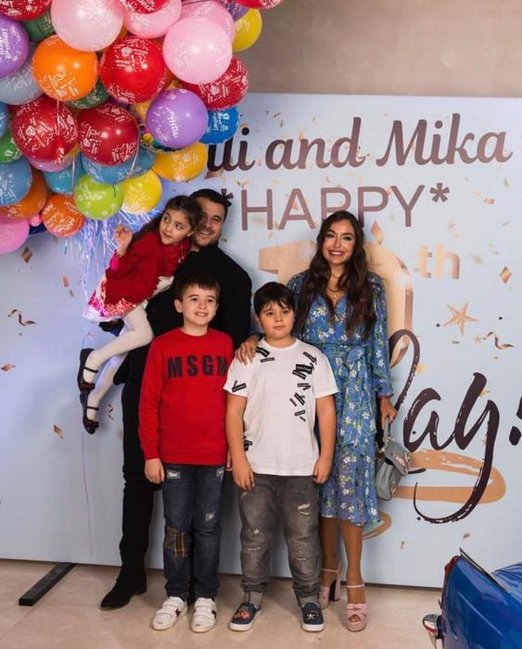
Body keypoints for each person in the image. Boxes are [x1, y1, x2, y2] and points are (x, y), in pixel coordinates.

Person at [238, 210, 396, 632]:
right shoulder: (300, 285)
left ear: (356, 244)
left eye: (346, 237)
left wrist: (384, 394)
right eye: (330, 236)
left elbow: (378, 342)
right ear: (321, 240)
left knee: (351, 485)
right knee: (318, 481)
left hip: (356, 389)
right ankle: (327, 570)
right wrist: (252, 338)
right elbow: (279, 328)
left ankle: (355, 580)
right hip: (308, 388)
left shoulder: (371, 287)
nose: (337, 244)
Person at [99, 188, 252, 610]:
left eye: (217, 219)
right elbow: (119, 303)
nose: (207, 224)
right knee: (138, 477)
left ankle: (199, 589)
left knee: (201, 503)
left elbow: (236, 348)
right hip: (145, 381)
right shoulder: (154, 252)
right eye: (201, 214)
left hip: (199, 402)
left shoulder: (233, 277)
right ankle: (131, 572)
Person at [225, 282, 337, 633]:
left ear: (295, 314)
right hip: (256, 467)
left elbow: (326, 410)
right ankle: (251, 597)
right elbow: (233, 412)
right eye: (269, 313)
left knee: (303, 537)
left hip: (302, 467)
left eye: (284, 312)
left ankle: (308, 599)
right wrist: (239, 459)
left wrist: (326, 456)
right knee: (254, 536)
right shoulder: (247, 358)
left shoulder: (314, 358)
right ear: (258, 318)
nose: (277, 319)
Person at [139, 270, 233, 633]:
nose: (202, 306)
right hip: (173, 456)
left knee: (208, 528)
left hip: (214, 455)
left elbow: (236, 402)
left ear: (217, 307)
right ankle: (177, 594)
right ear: (179, 305)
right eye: (194, 299)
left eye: (209, 301)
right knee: (177, 528)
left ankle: (206, 596)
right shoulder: (163, 346)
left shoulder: (225, 344)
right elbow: (148, 403)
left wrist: (234, 448)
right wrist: (151, 453)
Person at [77, 195, 203, 434]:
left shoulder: (182, 247)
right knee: (144, 335)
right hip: (125, 293)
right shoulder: (150, 243)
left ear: (189, 232)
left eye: (178, 226)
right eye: (167, 219)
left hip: (141, 298)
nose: (168, 228)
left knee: (121, 354)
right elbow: (118, 269)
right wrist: (123, 248)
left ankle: (92, 399)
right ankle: (92, 358)